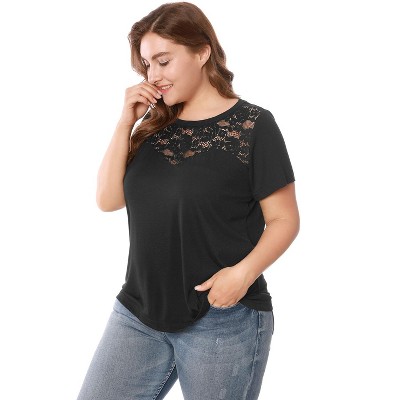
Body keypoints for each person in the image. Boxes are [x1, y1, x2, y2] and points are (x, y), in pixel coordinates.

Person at [76, 2, 300, 399]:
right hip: (139, 312)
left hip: (221, 316)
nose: (153, 75)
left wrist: (242, 275)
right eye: (147, 65)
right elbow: (108, 200)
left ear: (202, 52)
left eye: (164, 61)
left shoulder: (253, 125)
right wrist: (125, 122)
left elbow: (284, 219)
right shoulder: (152, 127)